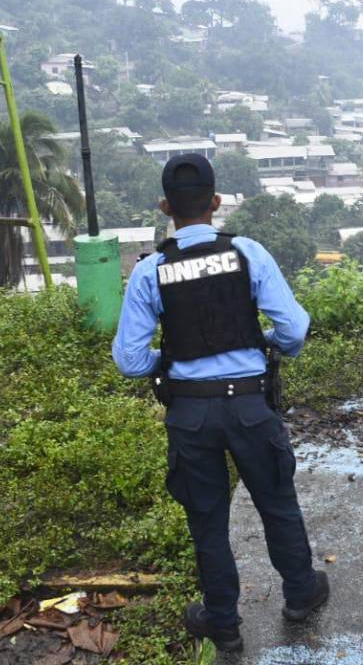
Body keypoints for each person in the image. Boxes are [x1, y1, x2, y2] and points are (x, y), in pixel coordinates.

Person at [112, 153, 329, 653]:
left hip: (189, 414)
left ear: (166, 206)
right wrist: (270, 344)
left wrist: (172, 359)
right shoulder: (248, 252)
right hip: (252, 407)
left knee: (206, 517)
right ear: (216, 202)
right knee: (277, 501)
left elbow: (129, 359)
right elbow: (295, 329)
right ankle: (300, 594)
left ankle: (223, 623)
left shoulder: (153, 270)